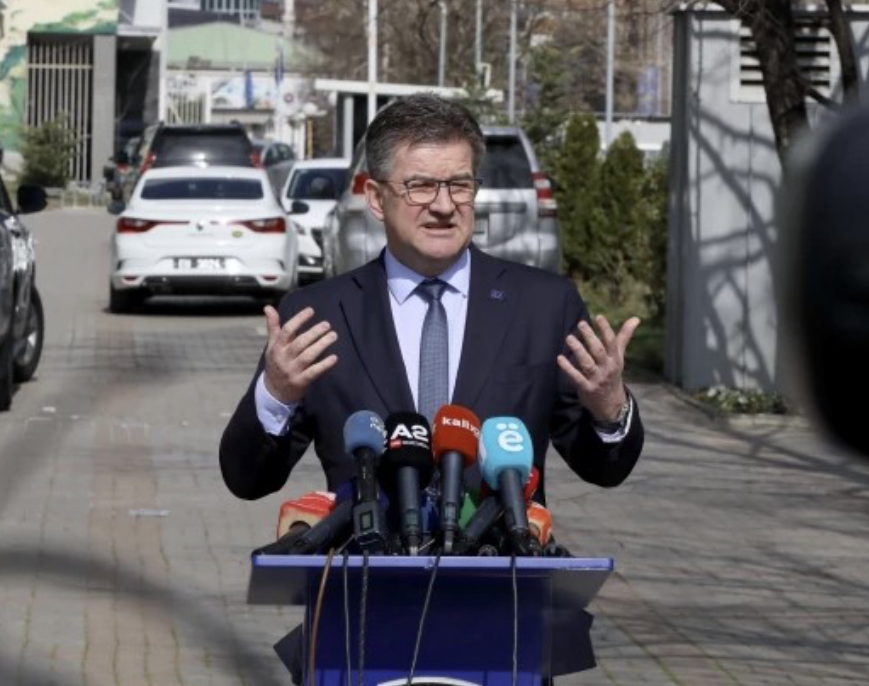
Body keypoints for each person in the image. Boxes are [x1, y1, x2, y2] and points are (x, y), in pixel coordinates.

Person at [218, 93, 644, 678]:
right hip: (360, 623)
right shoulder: (319, 315)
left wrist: (608, 408)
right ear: (376, 197)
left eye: (459, 185)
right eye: (420, 186)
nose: (444, 206)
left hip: (505, 625)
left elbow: (606, 467)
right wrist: (276, 394)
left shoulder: (543, 306)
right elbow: (246, 477)